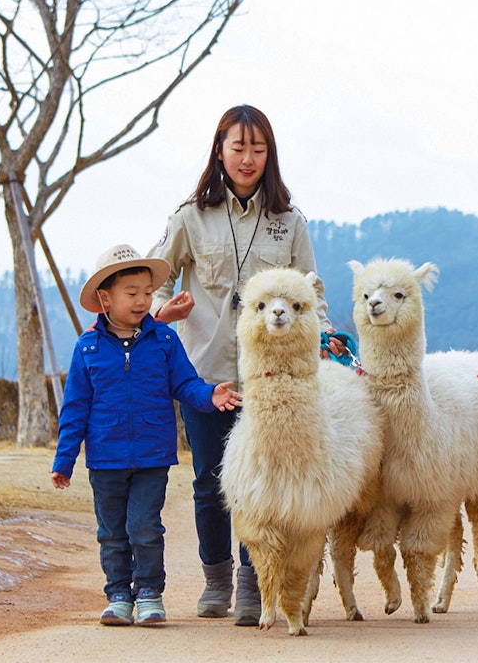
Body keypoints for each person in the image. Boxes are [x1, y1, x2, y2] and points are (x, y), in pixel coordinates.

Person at [148, 104, 334, 626]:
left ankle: (257, 584)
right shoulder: (189, 217)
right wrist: (165, 311)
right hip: (204, 374)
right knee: (209, 480)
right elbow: (155, 278)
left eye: (258, 149)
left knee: (266, 484)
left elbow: (311, 294)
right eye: (238, 147)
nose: (247, 158)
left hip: (272, 382)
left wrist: (324, 334)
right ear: (219, 150)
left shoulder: (290, 222)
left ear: (269, 155)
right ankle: (217, 578)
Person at [51, 244, 242, 627]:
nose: (143, 301)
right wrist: (64, 461)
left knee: (145, 527)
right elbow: (74, 409)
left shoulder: (165, 341)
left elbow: (186, 385)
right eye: (132, 293)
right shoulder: (86, 348)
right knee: (112, 532)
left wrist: (210, 394)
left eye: (147, 292)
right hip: (105, 460)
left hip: (153, 457)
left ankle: (150, 592)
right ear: (105, 298)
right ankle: (119, 594)